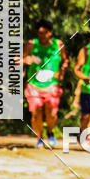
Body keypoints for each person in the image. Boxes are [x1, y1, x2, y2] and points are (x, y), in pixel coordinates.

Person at [23, 20, 69, 148]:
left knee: (52, 113)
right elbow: (18, 59)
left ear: (50, 33)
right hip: (34, 84)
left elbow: (66, 60)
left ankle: (50, 131)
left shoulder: (58, 44)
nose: (41, 35)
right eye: (39, 33)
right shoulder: (31, 44)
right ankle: (39, 137)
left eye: (43, 33)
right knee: (36, 111)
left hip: (52, 84)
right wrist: (28, 59)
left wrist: (63, 70)